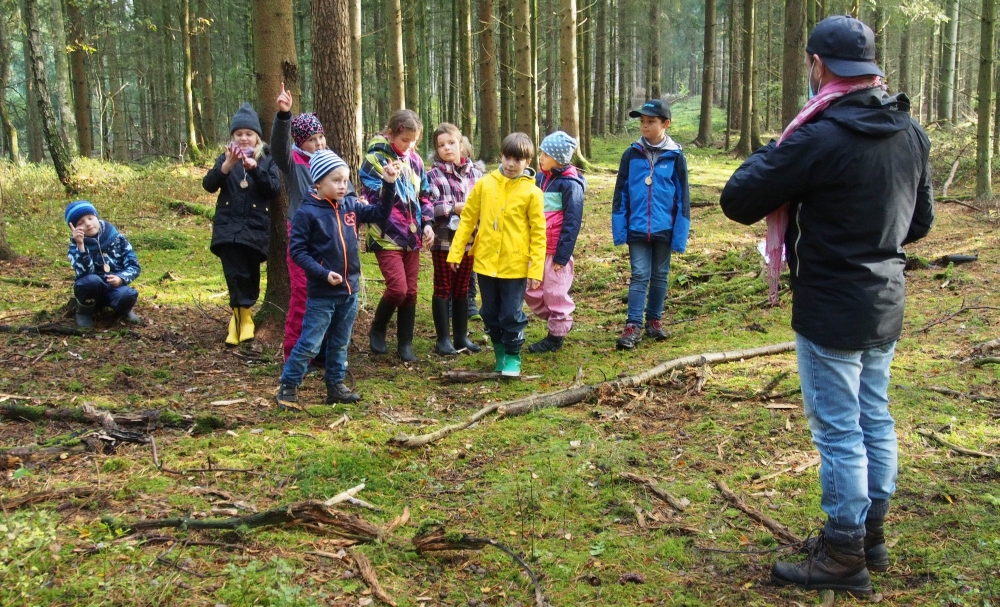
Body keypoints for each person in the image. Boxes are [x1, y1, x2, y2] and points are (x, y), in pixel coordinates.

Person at [720, 15, 934, 596]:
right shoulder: (909, 132)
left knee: (841, 430)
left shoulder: (817, 136)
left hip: (830, 305)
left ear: (819, 66)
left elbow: (738, 198)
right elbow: (919, 222)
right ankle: (871, 535)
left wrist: (779, 150)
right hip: (884, 299)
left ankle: (844, 552)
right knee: (874, 417)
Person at [276, 150, 400, 407]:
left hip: (349, 291)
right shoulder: (307, 213)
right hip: (322, 293)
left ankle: (335, 386)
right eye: (336, 181)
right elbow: (297, 251)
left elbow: (379, 214)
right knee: (310, 343)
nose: (343, 186)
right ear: (318, 182)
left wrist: (388, 184)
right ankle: (288, 386)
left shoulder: (350, 206)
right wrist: (322, 273)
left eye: (345, 180)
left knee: (340, 343)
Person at [447, 132, 545, 378]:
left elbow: (538, 233)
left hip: (516, 265)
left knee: (511, 313)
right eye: (507, 157)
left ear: (528, 162)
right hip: (485, 263)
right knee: (489, 312)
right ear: (501, 156)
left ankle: (513, 355)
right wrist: (456, 252)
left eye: (518, 160)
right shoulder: (485, 184)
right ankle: (499, 352)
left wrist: (535, 269)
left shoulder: (532, 193)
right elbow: (468, 218)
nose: (511, 164)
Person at [273, 83, 353, 363]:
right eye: (311, 139)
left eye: (321, 137)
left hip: (332, 237)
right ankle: (295, 354)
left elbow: (348, 191)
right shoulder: (293, 162)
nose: (318, 143)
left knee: (329, 292)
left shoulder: (331, 161)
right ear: (299, 141)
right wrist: (284, 116)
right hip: (303, 234)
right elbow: (279, 149)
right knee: (302, 293)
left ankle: (322, 349)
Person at [611, 99, 691, 350]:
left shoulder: (676, 156)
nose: (644, 126)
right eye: (642, 122)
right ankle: (632, 324)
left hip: (664, 227)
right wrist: (619, 227)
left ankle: (654, 321)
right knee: (639, 274)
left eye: (651, 122)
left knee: (660, 275)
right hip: (636, 226)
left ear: (665, 124)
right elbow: (620, 192)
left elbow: (683, 197)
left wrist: (679, 235)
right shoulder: (631, 153)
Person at [203, 103, 282, 345]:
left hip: (255, 227)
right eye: (239, 134)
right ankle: (242, 320)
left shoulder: (267, 159)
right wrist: (226, 166)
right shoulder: (225, 158)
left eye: (249, 134)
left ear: (257, 136)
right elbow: (209, 184)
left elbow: (274, 189)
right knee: (234, 273)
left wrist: (256, 170)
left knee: (250, 275)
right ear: (233, 137)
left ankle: (241, 316)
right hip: (228, 227)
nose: (244, 138)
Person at [359, 110, 433, 362]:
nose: (409, 146)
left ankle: (405, 343)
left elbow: (425, 194)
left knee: (411, 291)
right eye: (404, 141)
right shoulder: (374, 160)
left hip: (413, 238)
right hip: (385, 234)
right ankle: (377, 329)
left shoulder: (416, 160)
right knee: (398, 288)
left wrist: (428, 223)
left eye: (414, 142)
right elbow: (371, 198)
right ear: (391, 134)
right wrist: (389, 180)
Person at [423, 123, 484, 355]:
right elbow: (429, 206)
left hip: (469, 240)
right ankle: (443, 339)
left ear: (461, 144)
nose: (447, 148)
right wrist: (453, 207)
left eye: (451, 143)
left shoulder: (477, 175)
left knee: (462, 288)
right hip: (443, 241)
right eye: (441, 145)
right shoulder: (433, 175)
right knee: (443, 286)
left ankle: (461, 337)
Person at [525, 131, 585, 353]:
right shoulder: (541, 179)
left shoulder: (570, 185)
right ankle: (556, 320)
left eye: (545, 154)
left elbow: (572, 223)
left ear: (559, 159)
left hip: (556, 251)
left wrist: (562, 256)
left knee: (555, 293)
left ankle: (556, 336)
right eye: (541, 152)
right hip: (538, 248)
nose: (541, 157)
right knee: (532, 291)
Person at [65, 200, 141, 328]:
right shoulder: (75, 247)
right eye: (80, 223)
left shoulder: (117, 238)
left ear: (96, 217)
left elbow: (134, 266)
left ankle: (123, 310)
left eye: (90, 218)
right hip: (92, 288)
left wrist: (121, 278)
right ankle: (84, 312)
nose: (88, 224)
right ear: (74, 227)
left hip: (115, 287)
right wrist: (81, 246)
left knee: (128, 295)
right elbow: (84, 273)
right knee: (91, 281)